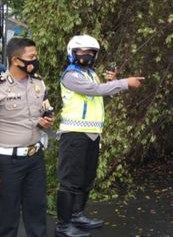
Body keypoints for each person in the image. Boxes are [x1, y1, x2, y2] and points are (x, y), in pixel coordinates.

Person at [55, 34, 144, 237]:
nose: (87, 55)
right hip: (74, 135)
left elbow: (100, 99)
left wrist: (112, 86)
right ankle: (63, 225)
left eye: (91, 52)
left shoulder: (92, 74)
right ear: (72, 53)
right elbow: (94, 91)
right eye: (83, 52)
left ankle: (77, 215)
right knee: (70, 181)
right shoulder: (71, 75)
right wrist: (123, 83)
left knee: (87, 178)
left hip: (93, 135)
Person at [0, 38, 54, 237]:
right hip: (6, 163)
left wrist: (44, 121)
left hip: (35, 159)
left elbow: (46, 111)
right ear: (15, 60)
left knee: (37, 215)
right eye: (31, 57)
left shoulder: (38, 83)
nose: (35, 61)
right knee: (6, 220)